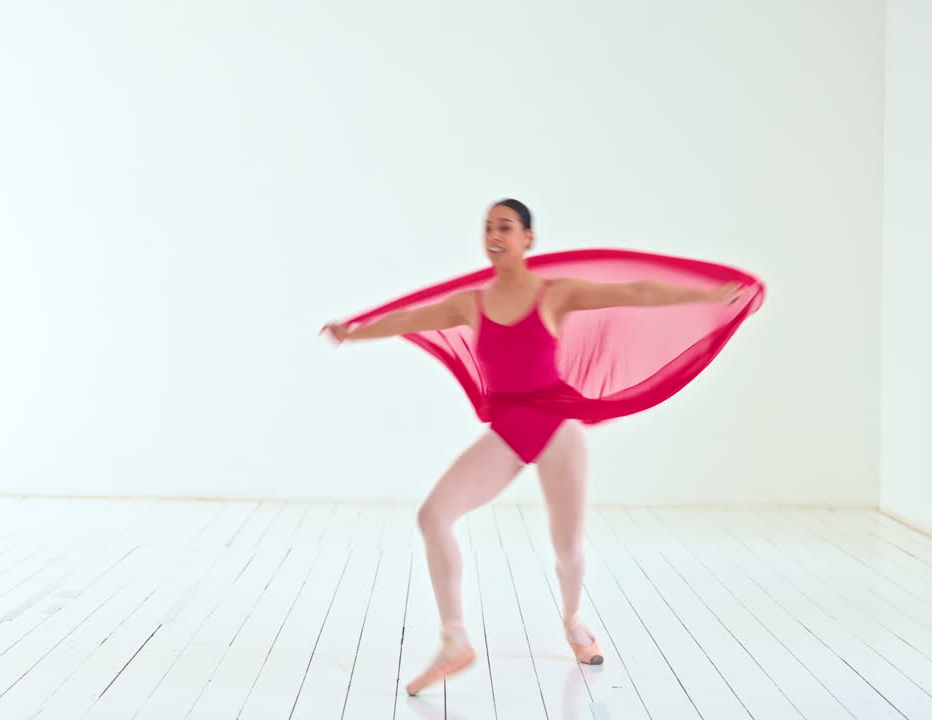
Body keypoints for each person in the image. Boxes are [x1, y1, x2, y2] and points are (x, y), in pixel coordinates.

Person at [322, 199, 762, 695]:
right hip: (510, 429)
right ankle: (454, 640)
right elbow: (408, 319)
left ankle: (575, 622)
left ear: (528, 238)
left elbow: (636, 290)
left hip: (556, 426)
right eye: (488, 227)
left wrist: (704, 293)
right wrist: (354, 333)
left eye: (505, 227)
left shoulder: (556, 293)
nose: (494, 235)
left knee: (566, 544)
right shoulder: (471, 302)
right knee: (434, 515)